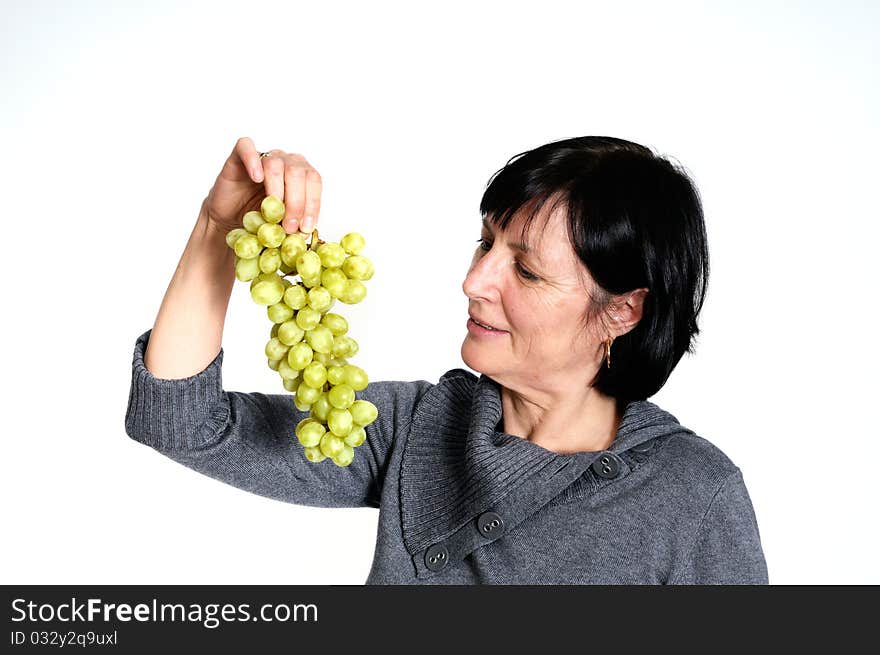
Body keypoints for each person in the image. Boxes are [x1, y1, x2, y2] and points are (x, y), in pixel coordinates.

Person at [125, 135, 769, 584]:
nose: (475, 280)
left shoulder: (695, 497)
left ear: (624, 311)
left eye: (526, 269)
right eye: (484, 243)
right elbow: (181, 422)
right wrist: (218, 226)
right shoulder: (419, 426)